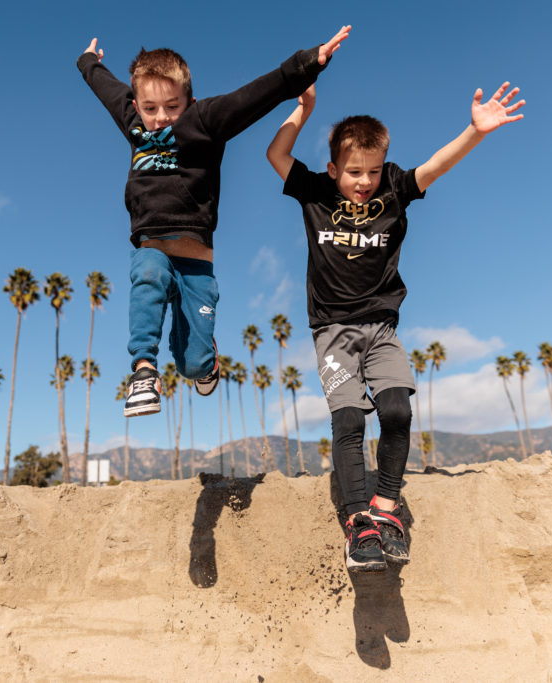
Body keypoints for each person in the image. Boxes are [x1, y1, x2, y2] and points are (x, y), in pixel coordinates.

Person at [266, 82, 525, 572]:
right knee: (348, 420)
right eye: (353, 172)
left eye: (372, 171)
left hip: (382, 330)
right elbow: (275, 152)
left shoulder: (393, 193)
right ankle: (356, 520)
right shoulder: (314, 192)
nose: (363, 181)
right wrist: (304, 110)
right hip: (332, 334)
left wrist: (475, 130)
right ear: (333, 169)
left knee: (396, 410)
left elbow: (435, 166)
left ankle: (386, 510)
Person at [77, 26, 351, 418]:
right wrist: (88, 62)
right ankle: (143, 370)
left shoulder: (203, 121)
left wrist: (307, 64)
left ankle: (206, 361)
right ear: (136, 105)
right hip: (153, 248)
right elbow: (105, 89)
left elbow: (254, 96)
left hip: (195, 264)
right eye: (151, 109)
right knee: (149, 274)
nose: (161, 118)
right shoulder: (135, 122)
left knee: (192, 365)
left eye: (172, 107)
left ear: (189, 100)